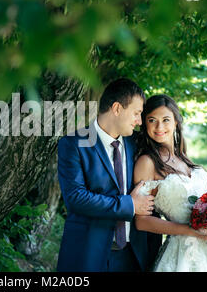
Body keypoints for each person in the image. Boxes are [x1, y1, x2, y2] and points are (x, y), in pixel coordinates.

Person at [134, 94, 207, 272]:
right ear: (145, 124)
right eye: (152, 120)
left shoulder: (182, 158)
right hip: (183, 251)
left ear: (176, 122)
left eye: (166, 120)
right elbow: (142, 221)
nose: (159, 127)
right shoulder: (147, 163)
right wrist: (192, 231)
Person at [56, 78, 161, 272]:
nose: (139, 121)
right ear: (117, 108)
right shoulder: (73, 144)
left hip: (133, 255)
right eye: (137, 113)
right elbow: (75, 198)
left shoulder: (137, 143)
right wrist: (130, 204)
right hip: (88, 254)